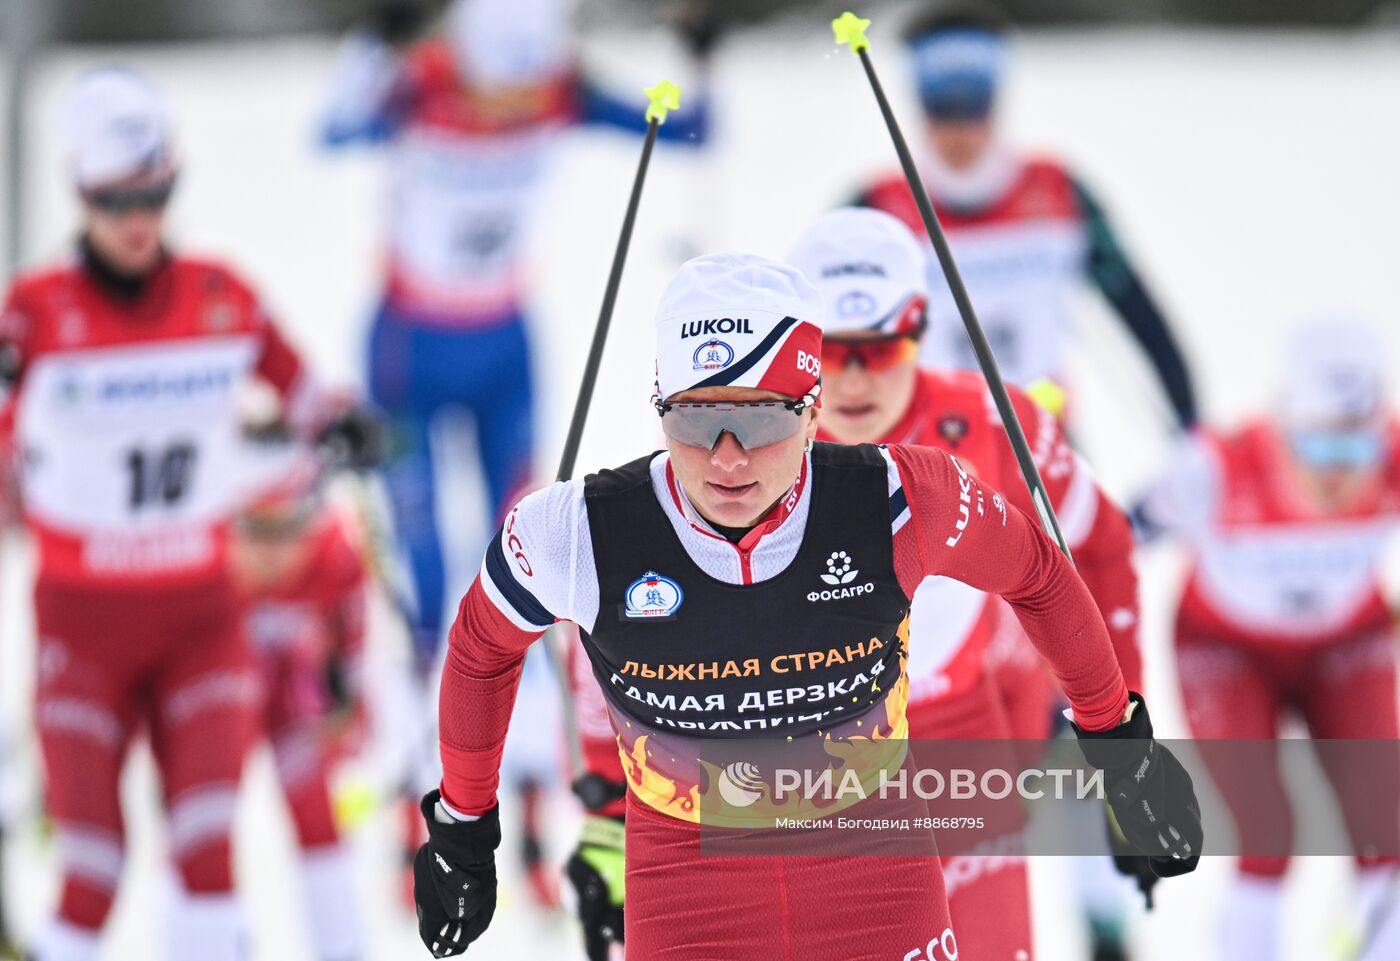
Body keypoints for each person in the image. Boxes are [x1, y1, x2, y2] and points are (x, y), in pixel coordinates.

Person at [407, 252, 1200, 959]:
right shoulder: (577, 530)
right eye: (696, 416)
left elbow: (1039, 573)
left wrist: (1118, 737)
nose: (726, 456)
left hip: (879, 892)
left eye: (757, 416)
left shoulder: (899, 496)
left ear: (812, 409)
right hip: (692, 905)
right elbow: (483, 645)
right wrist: (464, 825)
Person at [0, 68, 371, 961]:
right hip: (82, 625)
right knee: (91, 866)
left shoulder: (222, 296)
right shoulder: (37, 313)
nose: (138, 218)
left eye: (157, 192)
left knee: (209, 854)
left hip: (202, 615)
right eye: (115, 197)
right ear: (80, 191)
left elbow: (308, 390)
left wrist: (345, 423)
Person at [786, 206, 1144, 961]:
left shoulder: (991, 420)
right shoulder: (746, 445)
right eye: (829, 352)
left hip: (958, 730)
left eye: (876, 350)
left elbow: (1103, 542)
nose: (851, 379)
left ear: (916, 327)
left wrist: (1122, 734)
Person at [319, 0, 709, 669]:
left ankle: (517, 689)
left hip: (504, 347)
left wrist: (699, 55)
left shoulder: (560, 94)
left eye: (528, 88)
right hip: (408, 349)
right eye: (500, 87)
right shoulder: (421, 85)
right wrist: (375, 44)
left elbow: (691, 132)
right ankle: (420, 679)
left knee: (520, 533)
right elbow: (332, 132)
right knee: (423, 543)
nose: (513, 106)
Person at [1136, 317, 1400, 961]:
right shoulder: (1216, 469)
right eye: (1319, 448)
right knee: (1266, 832)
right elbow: (1105, 543)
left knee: (1386, 825)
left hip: (1346, 643)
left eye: (1356, 451)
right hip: (1224, 649)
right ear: (1281, 428)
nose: (1338, 473)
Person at [855, 0, 1197, 435]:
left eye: (974, 105)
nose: (959, 131)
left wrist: (1188, 420)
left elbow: (1139, 311)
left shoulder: (1059, 193)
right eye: (940, 107)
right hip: (925, 452)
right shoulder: (878, 206)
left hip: (1043, 444)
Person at [231, 430, 369, 961]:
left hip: (299, 695)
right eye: (254, 528)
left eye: (286, 529)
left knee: (315, 810)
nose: (269, 550)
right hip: (230, 690)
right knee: (204, 819)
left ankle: (342, 947)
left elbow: (357, 651)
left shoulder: (337, 553)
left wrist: (351, 715)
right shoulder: (212, 556)